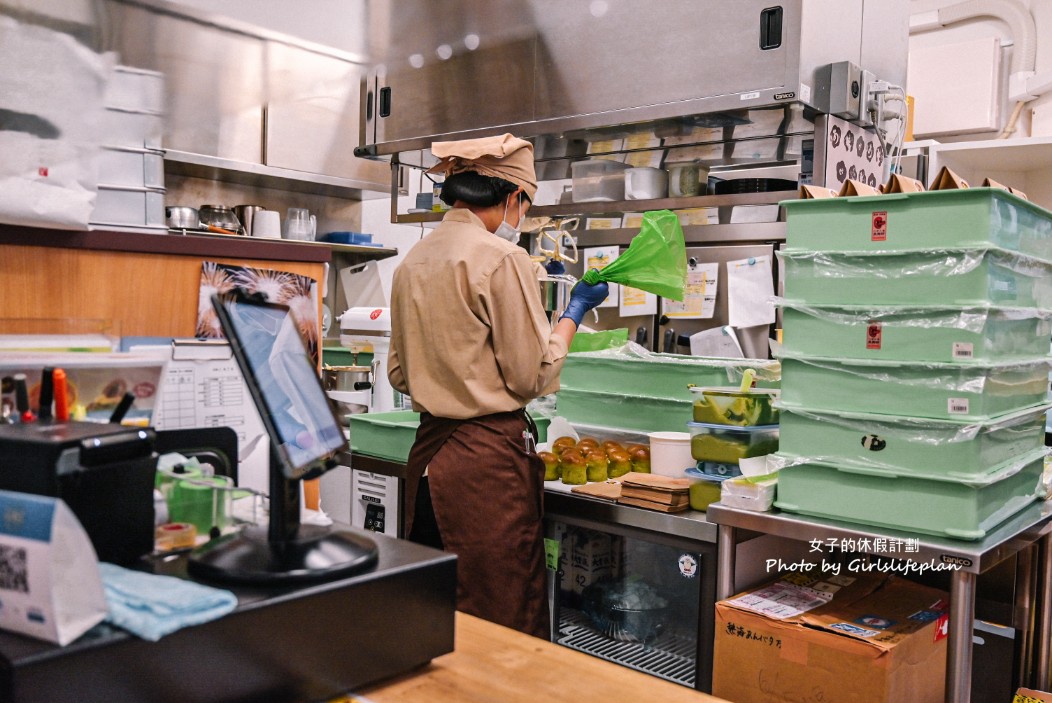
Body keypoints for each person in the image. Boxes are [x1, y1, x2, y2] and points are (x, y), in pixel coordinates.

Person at [387, 133, 608, 639]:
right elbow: (533, 374)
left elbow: (399, 374)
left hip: (426, 463)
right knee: (498, 623)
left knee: (434, 619)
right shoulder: (501, 259)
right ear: (512, 197)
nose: (521, 220)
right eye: (525, 208)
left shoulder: (412, 262)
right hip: (484, 469)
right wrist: (572, 314)